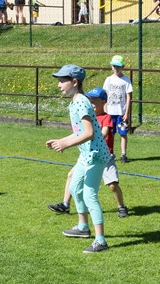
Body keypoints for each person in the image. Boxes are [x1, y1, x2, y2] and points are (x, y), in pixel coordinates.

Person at [46, 65, 111, 253]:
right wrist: (61, 140)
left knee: (90, 195)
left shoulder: (82, 101)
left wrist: (66, 144)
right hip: (86, 154)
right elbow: (78, 132)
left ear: (74, 82)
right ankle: (83, 228)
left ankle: (101, 241)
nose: (59, 85)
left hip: (96, 155)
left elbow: (89, 133)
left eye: (62, 81)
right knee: (74, 187)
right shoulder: (74, 102)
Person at [48, 87, 129, 218]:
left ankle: (121, 206)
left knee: (112, 185)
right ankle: (65, 204)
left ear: (103, 103)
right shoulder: (89, 117)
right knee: (71, 175)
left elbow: (103, 134)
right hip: (88, 156)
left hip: (104, 157)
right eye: (89, 101)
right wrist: (62, 140)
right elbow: (79, 132)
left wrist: (87, 136)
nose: (91, 104)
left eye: (94, 101)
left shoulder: (105, 118)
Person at [103, 55, 133, 163]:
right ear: (111, 67)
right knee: (110, 133)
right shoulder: (108, 80)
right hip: (110, 112)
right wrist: (105, 109)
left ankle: (123, 154)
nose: (116, 68)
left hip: (121, 112)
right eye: (114, 66)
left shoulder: (126, 81)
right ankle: (110, 153)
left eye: (118, 66)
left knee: (123, 133)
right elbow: (105, 96)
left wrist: (127, 113)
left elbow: (128, 97)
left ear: (123, 67)